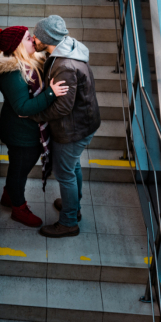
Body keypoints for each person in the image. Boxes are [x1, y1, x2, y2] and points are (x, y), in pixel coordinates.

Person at [0, 26, 69, 228]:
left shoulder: (27, 63)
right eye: (29, 38)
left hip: (26, 130)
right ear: (17, 46)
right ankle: (18, 208)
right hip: (21, 134)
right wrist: (51, 93)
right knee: (20, 172)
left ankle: (8, 196)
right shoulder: (13, 74)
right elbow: (23, 107)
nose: (34, 40)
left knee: (18, 168)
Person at [29, 15, 101, 238]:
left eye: (37, 36)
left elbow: (63, 108)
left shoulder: (65, 66)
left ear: (47, 38)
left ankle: (69, 221)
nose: (34, 39)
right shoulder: (66, 50)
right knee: (73, 167)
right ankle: (74, 207)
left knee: (65, 173)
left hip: (73, 129)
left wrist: (36, 115)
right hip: (83, 123)